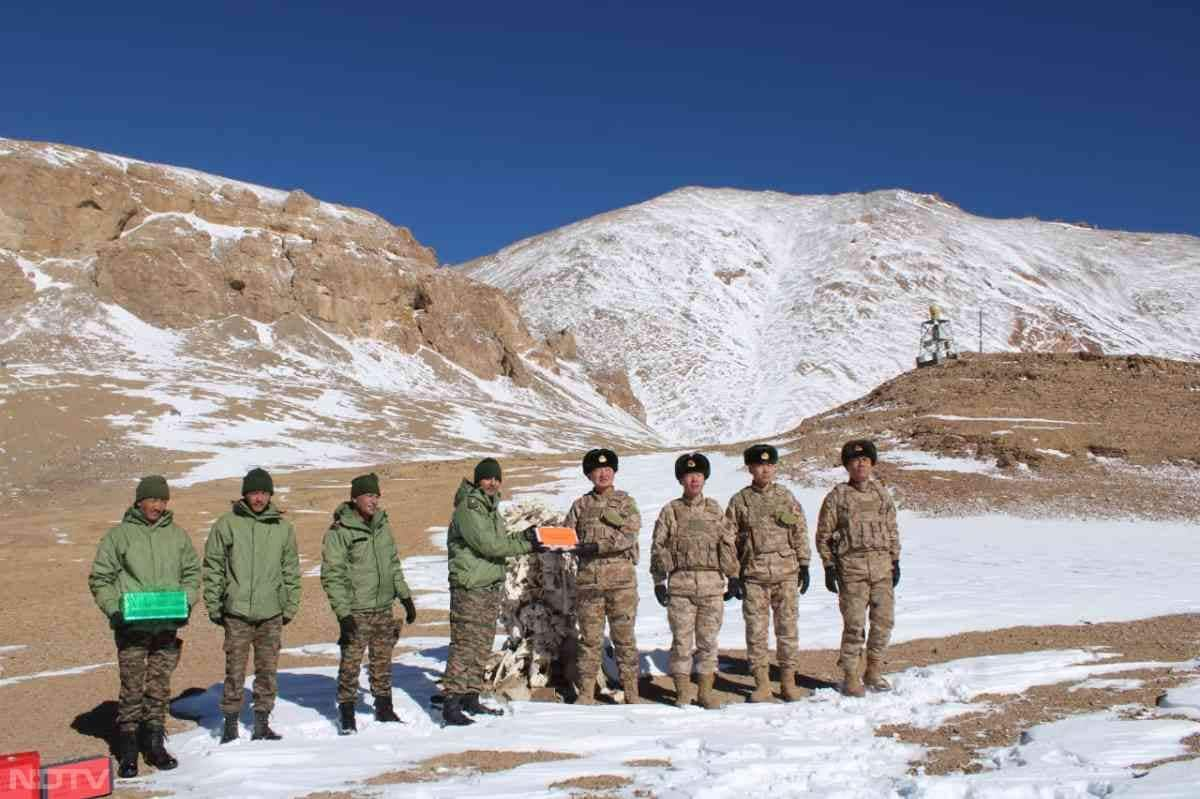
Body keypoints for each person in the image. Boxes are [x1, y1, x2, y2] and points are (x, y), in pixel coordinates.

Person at [88, 475, 200, 778]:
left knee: (159, 687)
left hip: (166, 626)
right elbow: (101, 578)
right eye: (153, 500)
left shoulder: (177, 536)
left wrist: (186, 602)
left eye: (163, 501)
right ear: (139, 501)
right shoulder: (119, 536)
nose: (158, 506)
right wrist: (115, 610)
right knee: (132, 687)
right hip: (132, 628)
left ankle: (154, 745)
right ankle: (127, 750)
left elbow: (192, 573)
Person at [441, 457, 543, 726]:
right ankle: (451, 702)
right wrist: (527, 544)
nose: (493, 482)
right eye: (487, 478)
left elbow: (500, 541)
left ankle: (470, 697)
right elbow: (490, 546)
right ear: (478, 480)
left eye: (496, 478)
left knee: (481, 643)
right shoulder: (470, 507)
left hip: (488, 585)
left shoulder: (489, 509)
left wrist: (528, 537)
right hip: (471, 586)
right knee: (464, 645)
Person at [203, 467, 301, 743]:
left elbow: (291, 569)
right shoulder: (227, 524)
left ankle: (261, 723)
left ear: (270, 495)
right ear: (245, 495)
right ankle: (231, 724)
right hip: (237, 612)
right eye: (254, 493)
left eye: (263, 493)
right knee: (234, 670)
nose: (258, 498)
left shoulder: (282, 528)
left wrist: (290, 605)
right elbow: (213, 567)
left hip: (271, 612)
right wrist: (214, 605)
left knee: (267, 670)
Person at [320, 472, 417, 734]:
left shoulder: (383, 526)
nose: (374, 501)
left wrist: (405, 596)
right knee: (351, 662)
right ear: (355, 498)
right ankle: (347, 711)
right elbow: (332, 575)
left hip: (383, 606)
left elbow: (392, 565)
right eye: (368, 495)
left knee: (382, 660)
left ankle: (384, 707)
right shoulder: (340, 531)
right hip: (356, 609)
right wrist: (343, 613)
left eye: (376, 495)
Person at [650, 453, 739, 709]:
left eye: (698, 475)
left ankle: (705, 692)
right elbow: (658, 547)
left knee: (708, 642)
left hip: (712, 586)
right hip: (680, 588)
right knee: (681, 642)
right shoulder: (671, 511)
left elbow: (727, 545)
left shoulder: (715, 510)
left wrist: (733, 576)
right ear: (681, 479)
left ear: (704, 478)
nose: (694, 479)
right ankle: (681, 691)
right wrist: (658, 581)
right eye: (689, 475)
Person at [725, 444, 811, 702]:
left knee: (787, 629)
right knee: (756, 631)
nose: (765, 469)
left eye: (770, 465)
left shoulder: (786, 497)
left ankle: (788, 681)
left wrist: (804, 564)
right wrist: (733, 574)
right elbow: (728, 540)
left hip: (786, 573)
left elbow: (799, 531)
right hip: (754, 576)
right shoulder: (739, 501)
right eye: (759, 465)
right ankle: (761, 683)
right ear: (750, 468)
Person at [815, 439, 901, 697]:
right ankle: (851, 676)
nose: (860, 464)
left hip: (882, 568)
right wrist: (829, 565)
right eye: (855, 460)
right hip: (851, 571)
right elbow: (823, 534)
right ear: (847, 465)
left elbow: (892, 529)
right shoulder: (837, 497)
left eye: (865, 459)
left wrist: (895, 561)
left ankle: (873, 671)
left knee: (883, 622)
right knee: (854, 625)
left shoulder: (881, 494)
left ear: (872, 463)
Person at [562, 448, 643, 704]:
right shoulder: (580, 505)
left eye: (608, 468)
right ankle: (586, 692)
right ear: (589, 475)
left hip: (622, 583)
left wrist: (598, 547)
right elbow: (567, 536)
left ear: (614, 471)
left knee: (624, 639)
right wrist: (547, 539)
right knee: (590, 640)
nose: (603, 473)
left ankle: (632, 692)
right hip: (589, 585)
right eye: (597, 470)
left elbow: (630, 534)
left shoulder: (625, 502)